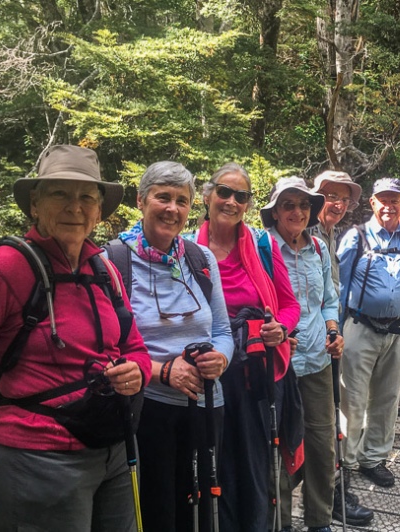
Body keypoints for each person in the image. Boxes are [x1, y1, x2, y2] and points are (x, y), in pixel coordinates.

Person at [0, 144, 152, 532]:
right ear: (34, 204)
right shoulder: (4, 269)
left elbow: (134, 345)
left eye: (87, 196)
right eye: (60, 194)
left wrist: (137, 370)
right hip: (36, 457)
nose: (75, 207)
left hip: (112, 448)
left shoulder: (104, 269)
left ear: (100, 210)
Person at [107, 161, 234, 532]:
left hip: (207, 404)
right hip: (148, 408)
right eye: (163, 197)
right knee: (159, 509)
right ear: (141, 201)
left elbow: (223, 329)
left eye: (182, 200)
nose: (173, 209)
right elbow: (109, 348)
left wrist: (221, 358)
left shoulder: (200, 258)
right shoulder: (113, 262)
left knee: (204, 506)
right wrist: (163, 371)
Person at [195, 162, 300, 532]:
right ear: (207, 196)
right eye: (224, 192)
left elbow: (290, 305)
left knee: (255, 463)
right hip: (210, 372)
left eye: (241, 196)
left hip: (258, 373)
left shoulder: (262, 245)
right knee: (215, 462)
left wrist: (280, 329)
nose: (231, 201)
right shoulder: (187, 250)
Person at [260, 176, 344, 532]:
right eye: (288, 205)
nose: (297, 211)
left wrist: (334, 330)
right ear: (275, 211)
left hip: (318, 361)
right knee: (279, 446)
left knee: (322, 444)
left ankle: (319, 520)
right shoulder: (262, 247)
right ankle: (280, 524)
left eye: (304, 205)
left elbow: (328, 299)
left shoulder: (319, 248)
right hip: (279, 366)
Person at [337, 178, 400, 487]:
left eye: (395, 200)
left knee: (388, 397)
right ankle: (346, 462)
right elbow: (340, 288)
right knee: (352, 398)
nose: (389, 205)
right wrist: (334, 331)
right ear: (373, 203)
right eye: (384, 200)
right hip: (360, 327)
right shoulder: (356, 237)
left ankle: (373, 458)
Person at [310, 170, 374, 525]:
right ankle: (328, 496)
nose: (337, 204)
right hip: (306, 347)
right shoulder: (305, 232)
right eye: (330, 196)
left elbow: (333, 290)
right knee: (319, 426)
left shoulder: (330, 233)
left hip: (328, 339)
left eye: (343, 198)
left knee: (327, 422)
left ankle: (331, 491)